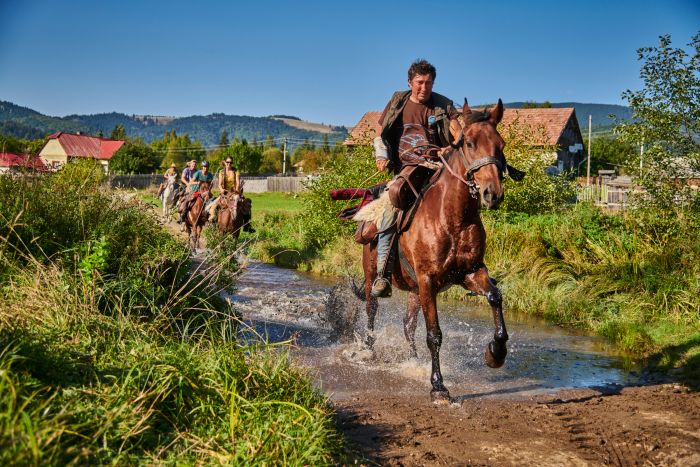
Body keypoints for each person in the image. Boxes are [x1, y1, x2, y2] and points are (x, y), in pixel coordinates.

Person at [371, 59, 459, 298]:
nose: (424, 88)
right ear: (410, 82)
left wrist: (449, 150)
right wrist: (382, 155)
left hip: (438, 170)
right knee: (391, 206)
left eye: (428, 83)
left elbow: (457, 135)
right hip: (406, 170)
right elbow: (380, 135)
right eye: (419, 82)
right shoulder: (398, 102)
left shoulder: (443, 105)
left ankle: (464, 265)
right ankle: (382, 275)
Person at [208, 157, 255, 232]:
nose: (229, 164)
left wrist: (236, 191)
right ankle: (213, 223)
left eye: (230, 162)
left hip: (234, 192)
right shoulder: (221, 172)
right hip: (225, 193)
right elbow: (219, 184)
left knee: (247, 205)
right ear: (225, 162)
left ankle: (247, 225)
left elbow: (238, 182)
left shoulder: (236, 171)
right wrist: (221, 189)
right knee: (214, 206)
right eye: (227, 162)